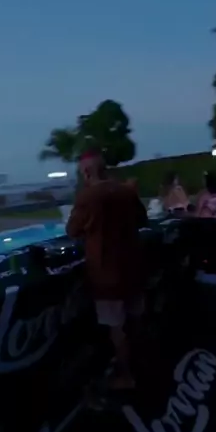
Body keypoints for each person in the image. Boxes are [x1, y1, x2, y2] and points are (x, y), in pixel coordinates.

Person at [67, 151, 148, 390]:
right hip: (134, 268)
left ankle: (126, 375)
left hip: (106, 275)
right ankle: (142, 364)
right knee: (136, 320)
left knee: (116, 327)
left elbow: (72, 230)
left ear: (86, 172)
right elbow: (142, 220)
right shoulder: (126, 191)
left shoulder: (88, 196)